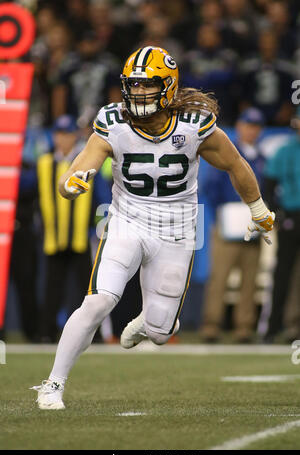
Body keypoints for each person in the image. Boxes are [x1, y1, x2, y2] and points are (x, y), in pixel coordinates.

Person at [30, 46, 275, 409]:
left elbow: (236, 165)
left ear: (169, 87)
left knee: (161, 333)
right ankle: (53, 384)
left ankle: (151, 321)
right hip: (127, 222)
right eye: (134, 85)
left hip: (176, 228)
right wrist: (72, 184)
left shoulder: (195, 124)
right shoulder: (113, 122)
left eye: (149, 85)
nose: (139, 93)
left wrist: (258, 209)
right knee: (99, 302)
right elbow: (73, 175)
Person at [36, 115, 112, 343]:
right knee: (52, 287)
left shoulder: (87, 162)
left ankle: (94, 335)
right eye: (59, 135)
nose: (63, 140)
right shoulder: (44, 163)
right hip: (53, 236)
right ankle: (46, 332)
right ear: (54, 136)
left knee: (86, 290)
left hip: (80, 236)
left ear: (74, 137)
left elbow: (102, 196)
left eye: (67, 134)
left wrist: (101, 227)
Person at [200, 108, 266, 343]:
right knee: (220, 277)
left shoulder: (260, 157)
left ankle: (244, 327)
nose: (252, 131)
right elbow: (210, 184)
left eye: (256, 127)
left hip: (252, 222)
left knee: (250, 278)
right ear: (239, 126)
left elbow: (266, 188)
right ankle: (211, 325)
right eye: (248, 125)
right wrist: (225, 208)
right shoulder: (227, 150)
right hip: (228, 222)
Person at [262, 107, 300, 342]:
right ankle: (272, 327)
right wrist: (277, 212)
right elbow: (268, 184)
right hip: (291, 216)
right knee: (282, 273)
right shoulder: (285, 150)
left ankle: (292, 326)